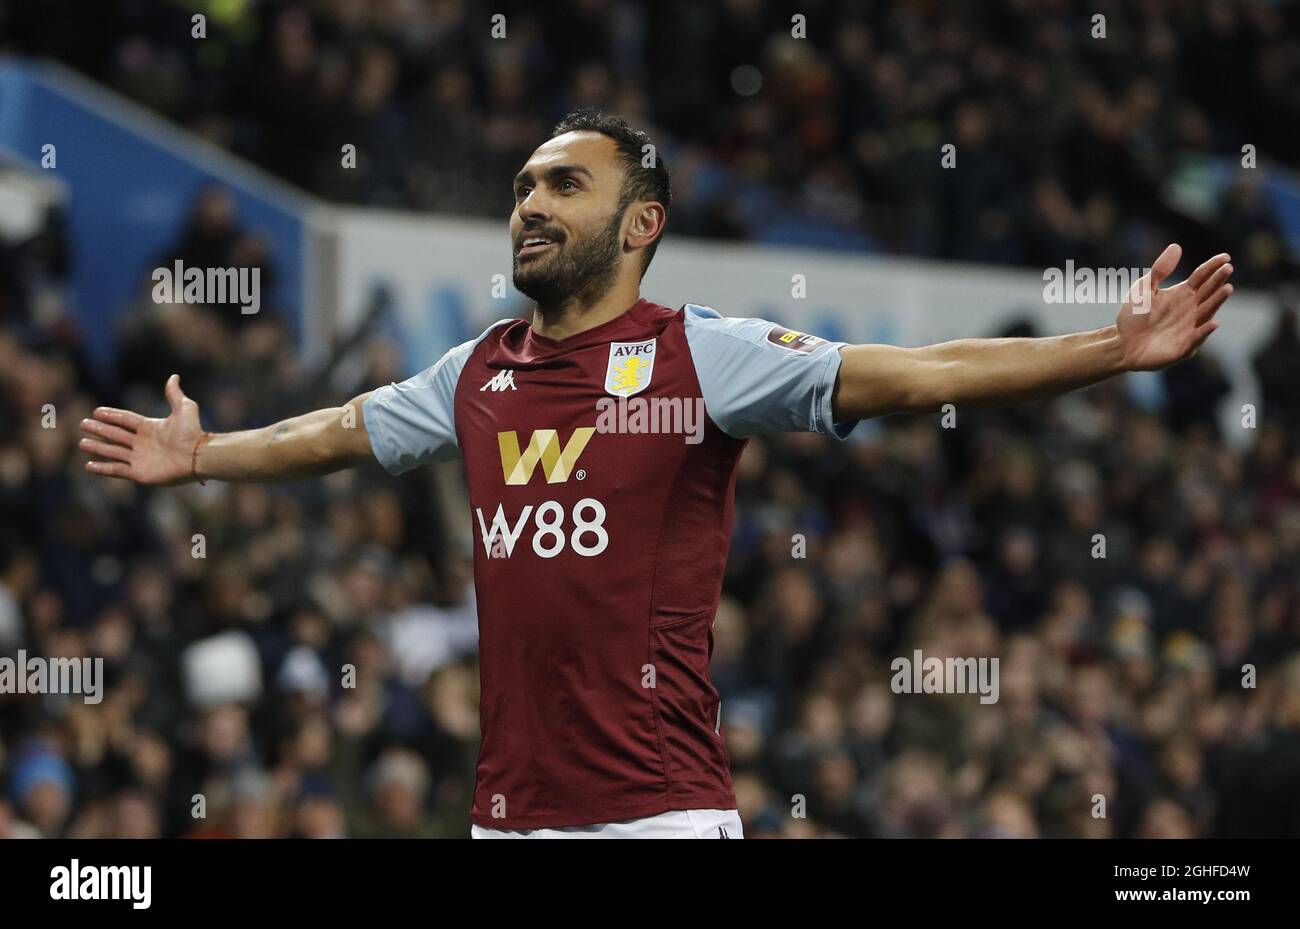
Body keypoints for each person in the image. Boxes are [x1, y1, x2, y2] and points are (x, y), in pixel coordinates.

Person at [80, 109, 1235, 839]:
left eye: (562, 186)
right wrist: (205, 456)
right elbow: (338, 427)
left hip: (657, 815)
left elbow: (913, 368)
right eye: (524, 184)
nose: (529, 204)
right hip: (507, 816)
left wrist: (1103, 351)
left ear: (642, 222)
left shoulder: (698, 355)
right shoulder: (477, 371)